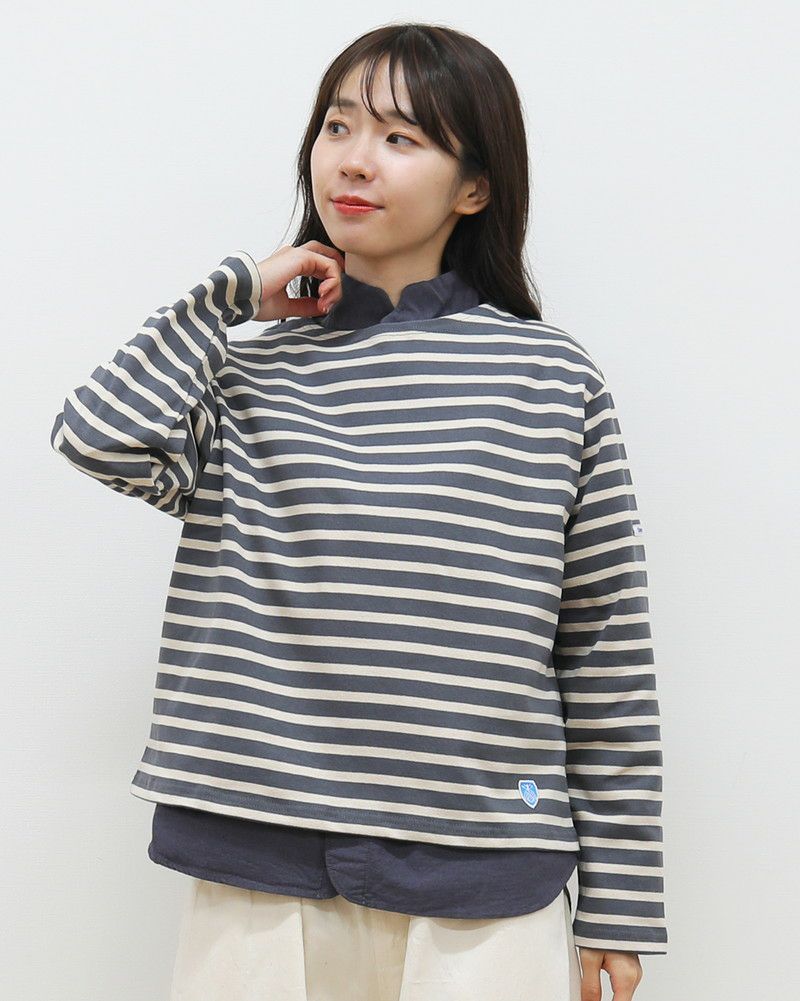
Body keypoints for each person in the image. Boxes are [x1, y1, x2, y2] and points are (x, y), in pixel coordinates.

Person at [49, 21, 667, 1001]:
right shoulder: (247, 374)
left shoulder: (550, 379)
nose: (353, 158)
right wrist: (227, 300)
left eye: (399, 137)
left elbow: (601, 646)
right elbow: (96, 435)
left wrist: (619, 903)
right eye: (337, 126)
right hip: (260, 866)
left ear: (474, 187)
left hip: (484, 871)